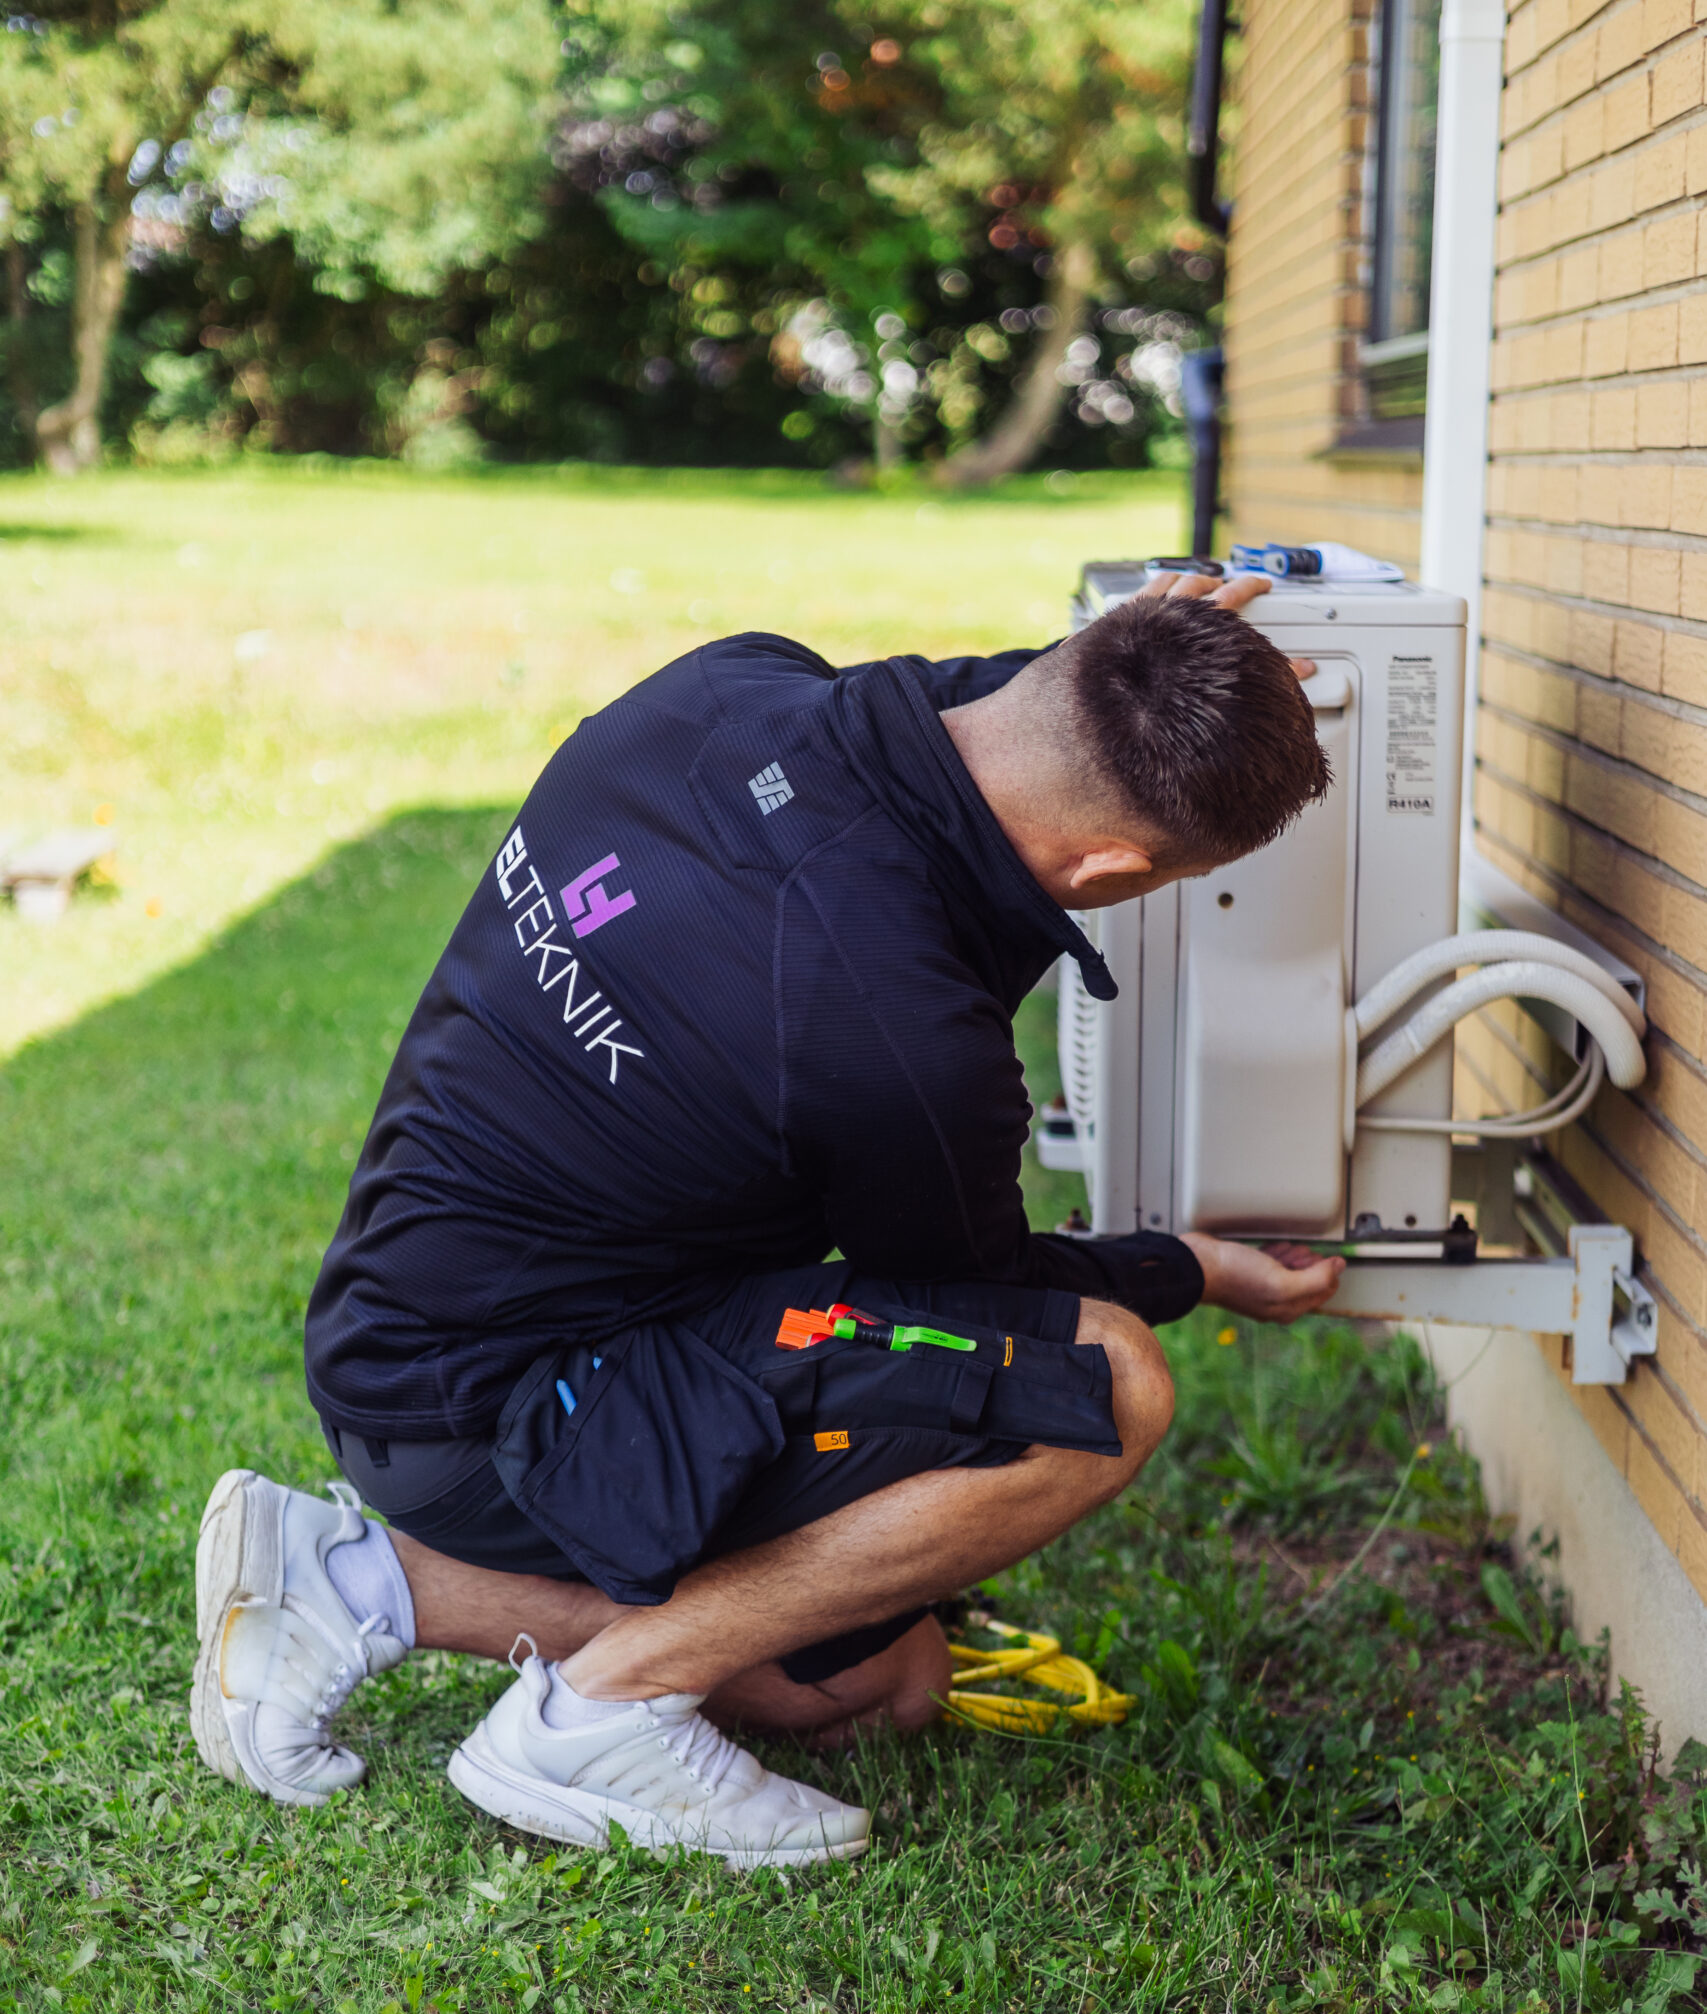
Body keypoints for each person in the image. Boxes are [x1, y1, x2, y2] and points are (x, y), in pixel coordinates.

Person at [189, 569, 1343, 1867]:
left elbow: (976, 727)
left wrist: (1142, 658)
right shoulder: (902, 1038)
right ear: (1113, 867)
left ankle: (346, 1581)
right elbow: (980, 1306)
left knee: (872, 1682)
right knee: (1103, 1384)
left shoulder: (724, 686)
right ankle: (595, 1719)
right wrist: (1179, 1271)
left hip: (393, 1344)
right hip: (507, 1415)